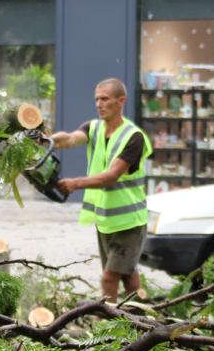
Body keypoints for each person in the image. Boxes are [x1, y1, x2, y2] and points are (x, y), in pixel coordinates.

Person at [51, 78, 153, 302]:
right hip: (106, 220)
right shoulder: (94, 127)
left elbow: (111, 176)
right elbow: (69, 139)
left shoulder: (134, 138)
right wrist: (48, 141)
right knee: (127, 274)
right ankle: (143, 319)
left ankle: (104, 325)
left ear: (121, 101)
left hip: (130, 222)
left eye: (104, 99)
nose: (99, 104)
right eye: (96, 99)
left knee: (109, 277)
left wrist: (76, 183)